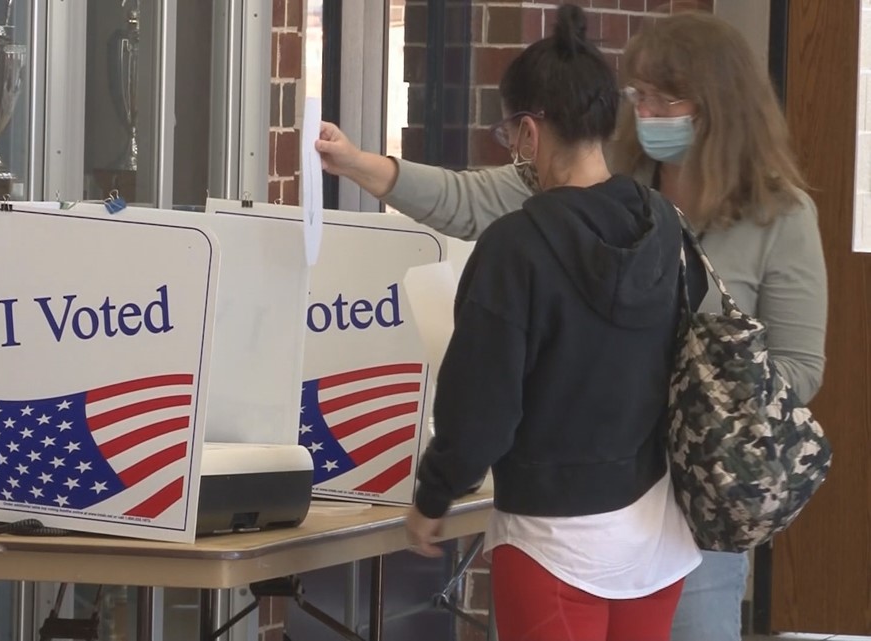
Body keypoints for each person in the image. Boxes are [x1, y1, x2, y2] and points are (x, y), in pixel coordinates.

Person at [316, 9, 827, 641]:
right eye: (637, 96)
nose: (647, 112)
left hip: (680, 500)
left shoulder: (771, 214)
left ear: (717, 106)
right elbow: (469, 197)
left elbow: (801, 367)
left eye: (665, 99)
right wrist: (363, 165)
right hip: (639, 510)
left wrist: (700, 394)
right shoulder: (641, 204)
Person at [362, 4, 706, 639]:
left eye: (511, 135)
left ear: (528, 130)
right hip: (659, 534)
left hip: (553, 537)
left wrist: (432, 498)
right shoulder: (666, 227)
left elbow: (480, 409)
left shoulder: (516, 248)